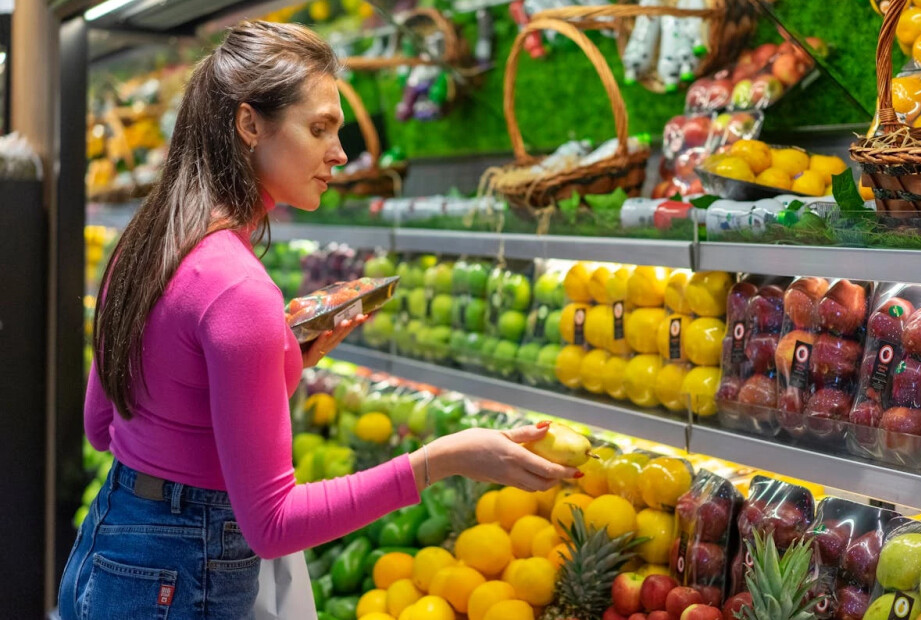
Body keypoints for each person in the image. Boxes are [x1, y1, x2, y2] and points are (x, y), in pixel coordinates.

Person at [58, 21, 578, 620]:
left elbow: (107, 429)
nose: (341, 152)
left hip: (108, 545)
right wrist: (441, 459)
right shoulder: (241, 290)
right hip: (182, 577)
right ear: (250, 125)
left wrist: (277, 367)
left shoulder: (148, 241)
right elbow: (273, 526)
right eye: (319, 128)